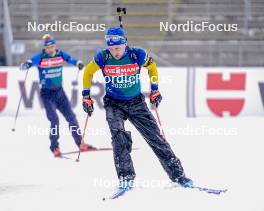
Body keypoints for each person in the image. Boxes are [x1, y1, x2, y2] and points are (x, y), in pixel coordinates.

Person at [82, 27, 192, 189]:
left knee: (156, 138)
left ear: (125, 43)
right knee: (118, 137)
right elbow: (88, 72)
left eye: (118, 48)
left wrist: (155, 89)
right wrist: (86, 96)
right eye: (111, 49)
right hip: (113, 103)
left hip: (136, 102)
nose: (115, 53)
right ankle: (126, 177)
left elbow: (152, 68)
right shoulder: (103, 57)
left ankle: (179, 176)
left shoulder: (137, 55)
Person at [21, 34, 94, 157]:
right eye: (48, 47)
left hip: (60, 93)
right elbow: (30, 61)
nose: (50, 49)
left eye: (52, 46)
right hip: (47, 94)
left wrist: (79, 63)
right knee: (54, 120)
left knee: (71, 118)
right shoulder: (41, 57)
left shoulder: (60, 54)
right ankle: (54, 147)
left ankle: (80, 143)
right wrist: (26, 65)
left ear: (55, 46)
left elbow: (71, 59)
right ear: (44, 48)